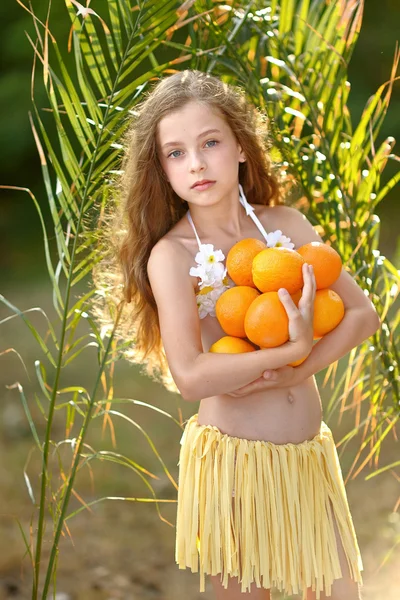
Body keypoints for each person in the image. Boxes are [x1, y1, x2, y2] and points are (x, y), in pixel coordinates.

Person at [112, 70, 380, 599]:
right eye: (176, 152)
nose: (196, 163)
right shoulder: (173, 257)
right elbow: (190, 375)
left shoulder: (288, 227)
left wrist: (299, 366)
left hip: (306, 457)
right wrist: (289, 349)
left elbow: (361, 314)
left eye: (210, 142)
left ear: (239, 146)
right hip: (234, 466)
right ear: (161, 169)